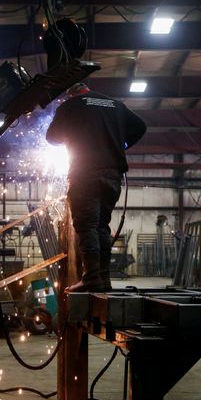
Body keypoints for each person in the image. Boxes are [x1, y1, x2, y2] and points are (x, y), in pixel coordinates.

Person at [46, 83, 147, 292]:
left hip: (85, 174)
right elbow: (141, 126)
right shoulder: (116, 104)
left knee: (86, 225)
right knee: (102, 226)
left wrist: (73, 134)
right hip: (112, 176)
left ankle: (91, 278)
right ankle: (103, 279)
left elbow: (52, 137)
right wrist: (121, 144)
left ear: (70, 93)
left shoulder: (70, 105)